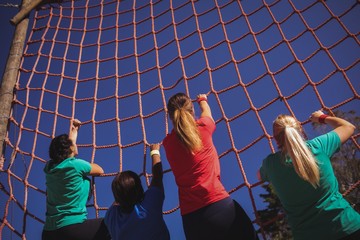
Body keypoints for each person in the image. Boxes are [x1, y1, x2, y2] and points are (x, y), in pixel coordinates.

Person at [163, 92, 258, 240]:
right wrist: (202, 99)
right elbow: (207, 112)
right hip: (219, 206)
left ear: (170, 116)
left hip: (192, 221)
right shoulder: (204, 127)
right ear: (191, 110)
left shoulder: (167, 144)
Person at [258, 110, 360, 240]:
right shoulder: (318, 146)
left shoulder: (270, 164)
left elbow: (259, 176)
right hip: (348, 226)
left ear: (276, 140)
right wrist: (321, 117)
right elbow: (348, 127)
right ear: (300, 129)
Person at [42, 119, 110, 240]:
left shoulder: (49, 168)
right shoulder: (76, 165)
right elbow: (100, 170)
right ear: (70, 150)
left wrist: (73, 134)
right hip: (71, 229)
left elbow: (64, 155)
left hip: (49, 233)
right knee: (112, 224)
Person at [104, 143, 170, 240]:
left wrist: (120, 184)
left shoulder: (112, 217)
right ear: (139, 188)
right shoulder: (148, 206)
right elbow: (157, 176)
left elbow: (117, 200)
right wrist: (155, 151)